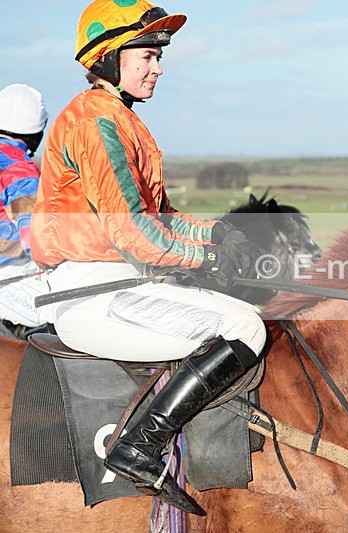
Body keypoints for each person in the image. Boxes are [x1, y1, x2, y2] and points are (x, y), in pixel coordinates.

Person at [31, 0, 268, 514]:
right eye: (147, 56)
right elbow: (131, 232)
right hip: (92, 293)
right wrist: (203, 259)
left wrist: (217, 233)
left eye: (159, 57)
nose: (158, 68)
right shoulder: (97, 123)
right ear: (109, 58)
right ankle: (138, 447)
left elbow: (160, 216)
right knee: (246, 328)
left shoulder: (120, 119)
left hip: (120, 284)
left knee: (245, 313)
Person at [0, 84, 50, 334]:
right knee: (62, 316)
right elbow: (33, 236)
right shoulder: (20, 169)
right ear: (37, 133)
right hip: (9, 275)